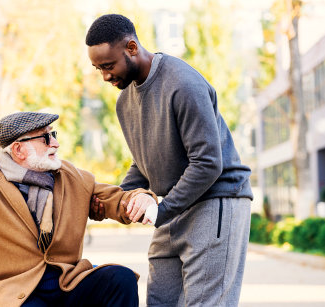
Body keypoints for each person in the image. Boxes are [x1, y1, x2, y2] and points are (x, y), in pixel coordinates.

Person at [86, 14, 254, 307]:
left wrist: (161, 210)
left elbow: (207, 162)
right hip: (171, 208)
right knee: (160, 302)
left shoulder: (182, 83)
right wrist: (115, 199)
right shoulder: (124, 102)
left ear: (132, 47)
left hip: (216, 201)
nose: (105, 76)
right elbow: (143, 164)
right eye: (98, 68)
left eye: (109, 66)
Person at [0, 111, 158, 307]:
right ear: (19, 150)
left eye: (53, 134)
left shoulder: (73, 177)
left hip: (68, 282)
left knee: (120, 279)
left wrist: (141, 198)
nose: (55, 143)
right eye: (45, 138)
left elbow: (117, 200)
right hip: (16, 291)